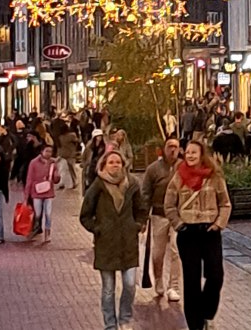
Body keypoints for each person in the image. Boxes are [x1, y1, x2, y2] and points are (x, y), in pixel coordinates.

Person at [165, 140, 231, 330]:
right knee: (191, 280)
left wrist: (219, 224)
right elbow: (169, 204)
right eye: (188, 153)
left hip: (210, 231)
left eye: (194, 152)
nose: (190, 156)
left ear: (202, 154)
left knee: (216, 274)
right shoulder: (178, 176)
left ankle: (207, 312)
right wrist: (178, 224)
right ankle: (195, 324)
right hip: (188, 233)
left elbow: (225, 203)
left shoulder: (214, 177)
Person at [80, 151, 149, 330]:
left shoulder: (132, 184)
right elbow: (85, 215)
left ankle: (125, 319)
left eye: (118, 162)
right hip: (106, 245)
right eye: (111, 162)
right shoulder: (97, 186)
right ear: (104, 165)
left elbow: (141, 208)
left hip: (128, 242)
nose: (115, 165)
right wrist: (98, 229)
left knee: (130, 284)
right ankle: (110, 324)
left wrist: (138, 224)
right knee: (108, 289)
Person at [141, 137, 182, 302]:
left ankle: (174, 286)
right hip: (159, 214)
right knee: (158, 253)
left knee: (176, 251)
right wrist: (143, 218)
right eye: (170, 146)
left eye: (176, 147)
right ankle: (158, 280)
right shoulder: (153, 170)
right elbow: (146, 194)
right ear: (163, 149)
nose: (173, 150)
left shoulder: (183, 168)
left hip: (178, 216)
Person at [24, 143, 60, 242]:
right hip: (37, 192)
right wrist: (27, 195)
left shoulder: (53, 163)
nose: (49, 153)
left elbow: (56, 179)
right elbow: (29, 179)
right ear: (41, 151)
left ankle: (47, 232)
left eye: (50, 151)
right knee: (38, 213)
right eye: (47, 151)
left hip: (48, 192)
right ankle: (35, 229)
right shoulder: (34, 163)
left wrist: (56, 176)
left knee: (48, 213)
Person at [57, 124, 80, 189]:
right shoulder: (72, 135)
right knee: (72, 169)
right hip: (71, 153)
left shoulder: (60, 137)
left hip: (62, 153)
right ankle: (75, 182)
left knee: (62, 170)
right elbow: (77, 141)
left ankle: (62, 182)